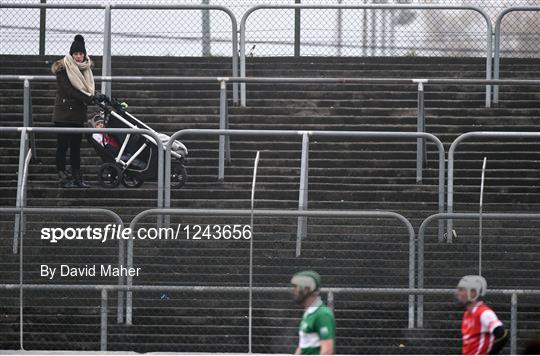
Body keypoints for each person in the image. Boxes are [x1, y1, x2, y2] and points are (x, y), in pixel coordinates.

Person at [51, 34, 105, 188]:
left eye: (81, 54)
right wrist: (89, 98)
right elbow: (69, 90)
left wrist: (95, 96)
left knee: (76, 147)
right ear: (71, 54)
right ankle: (62, 175)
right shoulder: (63, 69)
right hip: (64, 114)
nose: (79, 57)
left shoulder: (86, 69)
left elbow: (88, 89)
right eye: (76, 54)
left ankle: (77, 177)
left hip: (78, 115)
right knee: (62, 146)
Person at [456, 275, 508, 355]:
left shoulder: (484, 313)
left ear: (473, 293)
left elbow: (502, 334)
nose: (458, 293)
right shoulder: (467, 314)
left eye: (462, 290)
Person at [291, 270, 336, 355]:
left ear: (307, 289)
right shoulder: (309, 313)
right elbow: (303, 346)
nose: (294, 291)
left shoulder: (322, 314)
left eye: (297, 287)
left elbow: (327, 350)